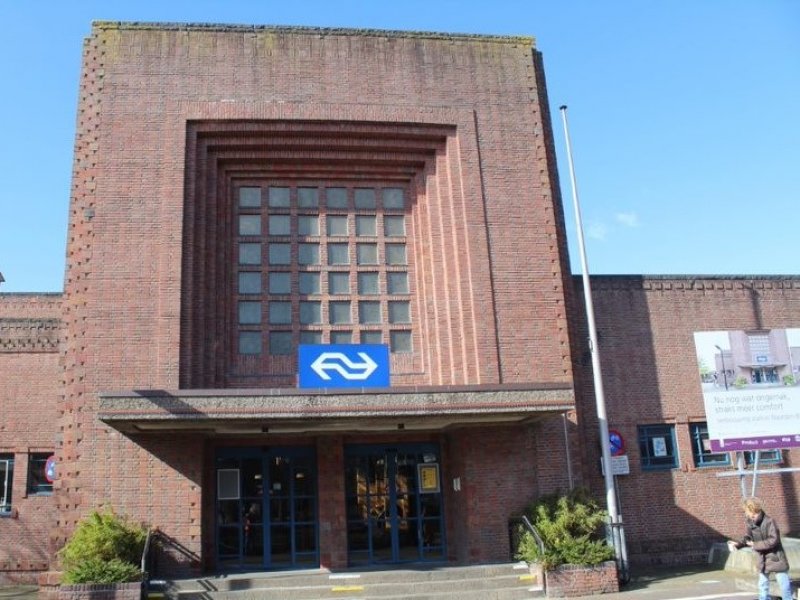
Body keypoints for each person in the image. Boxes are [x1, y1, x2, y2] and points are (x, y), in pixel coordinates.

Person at [727, 497, 793, 600]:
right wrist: (738, 544)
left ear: (754, 510)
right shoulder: (750, 522)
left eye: (749, 512)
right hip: (763, 559)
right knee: (762, 585)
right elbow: (748, 539)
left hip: (776, 558)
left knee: (784, 586)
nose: (748, 515)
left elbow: (773, 540)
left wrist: (755, 545)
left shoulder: (770, 521)